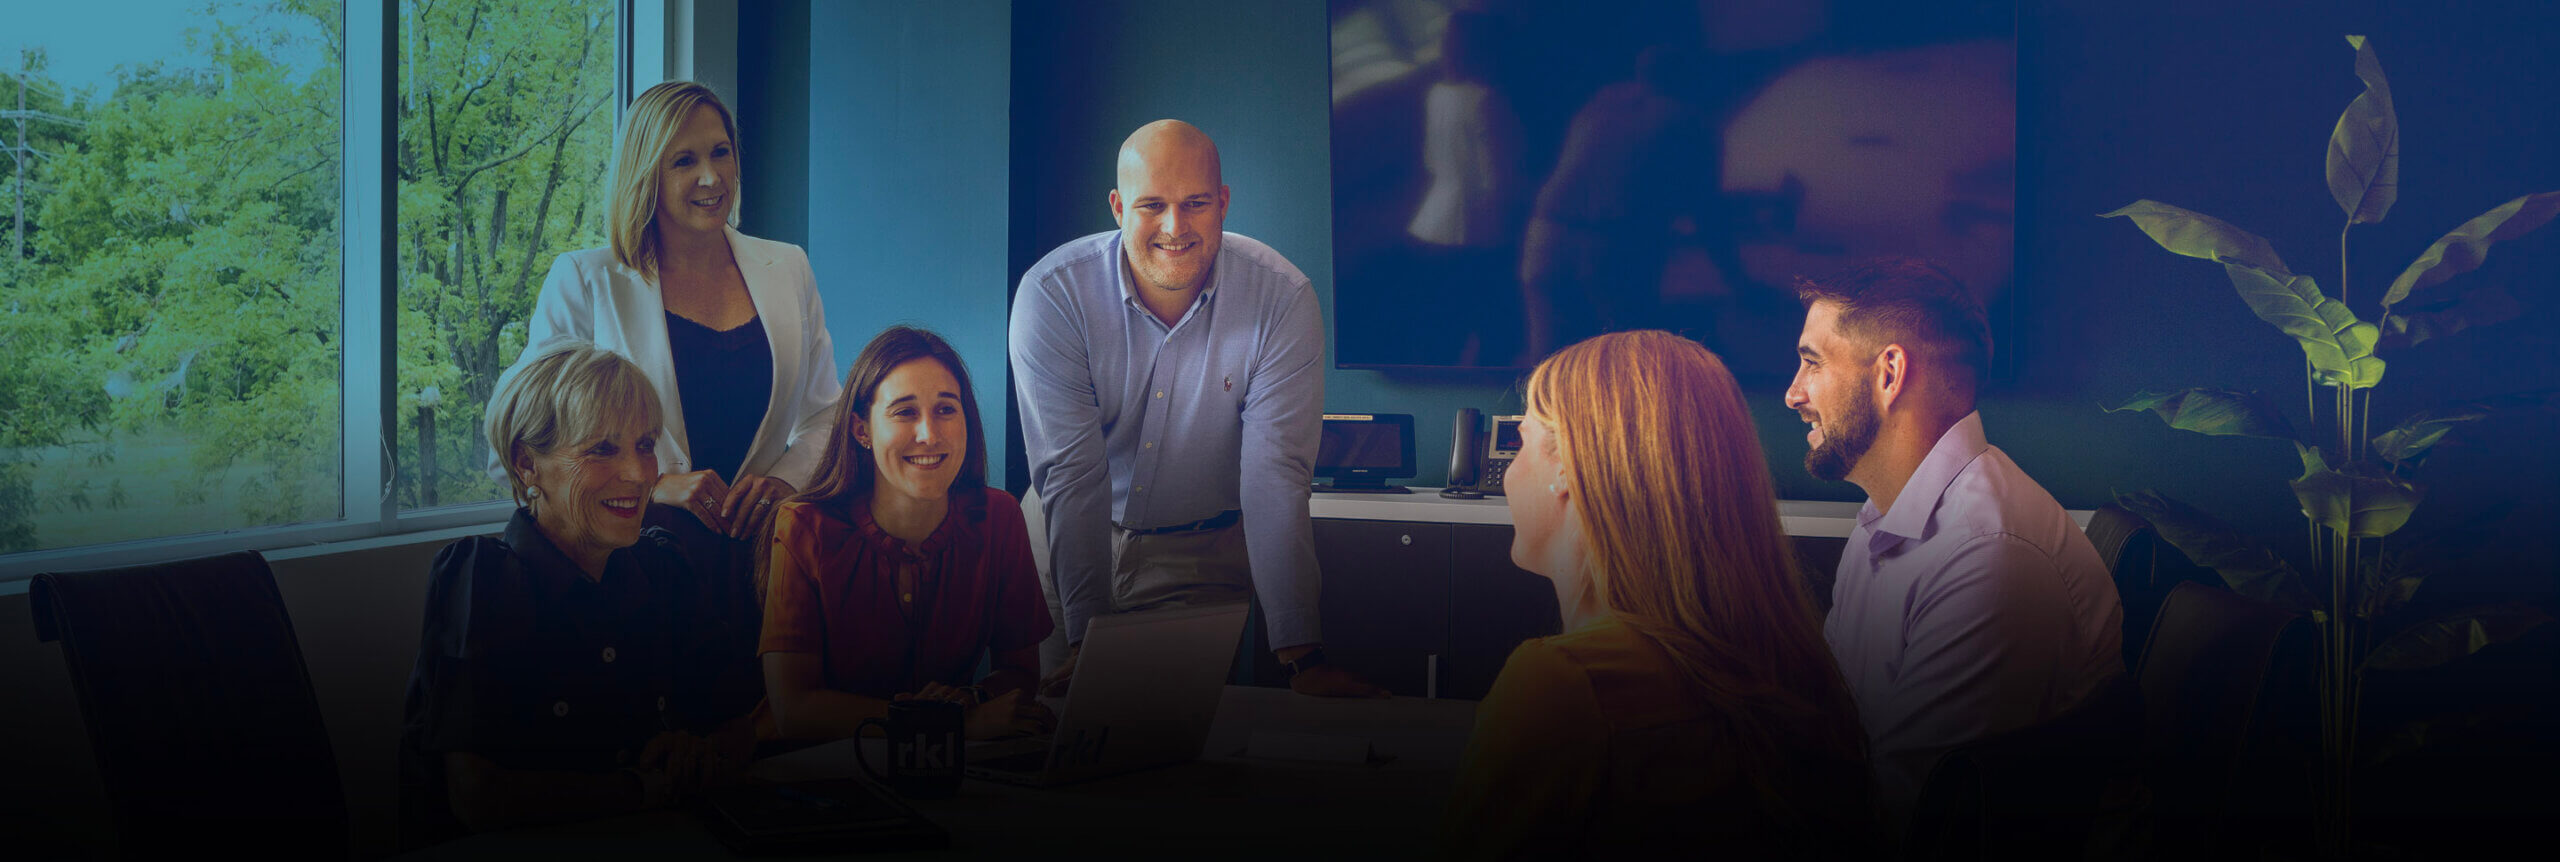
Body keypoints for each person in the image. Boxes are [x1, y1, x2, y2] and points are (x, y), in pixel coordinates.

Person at [1442, 330, 1875, 859]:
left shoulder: (1564, 685)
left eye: (1520, 443)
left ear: (1567, 468)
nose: (1509, 473)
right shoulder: (1796, 667)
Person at [1010, 119, 1382, 698]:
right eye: (1152, 205)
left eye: (1196, 203)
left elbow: (1274, 476)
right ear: (1117, 207)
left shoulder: (1283, 299)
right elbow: (1071, 475)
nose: (1175, 227)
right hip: (1062, 551)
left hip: (1199, 558)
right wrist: (1087, 638)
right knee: (1054, 734)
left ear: (1224, 202)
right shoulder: (1053, 294)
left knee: (1176, 756)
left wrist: (1302, 655)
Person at [1783, 257, 2123, 829]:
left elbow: (1906, 818)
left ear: (1889, 374)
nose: (1794, 394)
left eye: (1812, 363)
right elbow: (1841, 721)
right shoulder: (1888, 514)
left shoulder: (1986, 555)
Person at [401, 343, 760, 848]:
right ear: (527, 465)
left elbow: (741, 729)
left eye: (644, 444)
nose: (639, 474)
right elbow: (478, 797)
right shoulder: (480, 580)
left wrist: (698, 751)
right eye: (602, 449)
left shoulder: (663, 567)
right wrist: (644, 788)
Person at [487, 80, 840, 550]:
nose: (711, 177)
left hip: (759, 558)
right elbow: (513, 443)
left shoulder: (789, 266)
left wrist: (786, 481)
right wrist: (651, 486)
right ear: (646, 172)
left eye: (721, 152)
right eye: (684, 161)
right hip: (631, 565)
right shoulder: (586, 280)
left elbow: (825, 415)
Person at [759, 326, 1053, 741]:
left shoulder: (999, 516)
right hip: (813, 774)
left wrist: (970, 698)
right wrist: (950, 724)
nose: (929, 434)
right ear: (862, 430)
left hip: (948, 776)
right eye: (904, 412)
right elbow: (794, 711)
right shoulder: (803, 526)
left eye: (947, 410)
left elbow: (1021, 674)